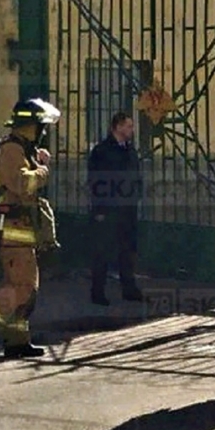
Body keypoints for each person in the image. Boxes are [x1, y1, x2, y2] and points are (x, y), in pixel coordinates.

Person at [0, 98, 60, 359]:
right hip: (13, 231)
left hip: (24, 231)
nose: (42, 131)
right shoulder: (11, 150)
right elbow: (20, 183)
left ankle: (17, 341)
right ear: (30, 126)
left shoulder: (22, 149)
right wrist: (42, 171)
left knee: (26, 287)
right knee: (22, 286)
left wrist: (36, 159)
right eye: (40, 126)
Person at [87, 111, 144, 305]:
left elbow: (136, 176)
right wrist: (99, 210)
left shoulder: (130, 150)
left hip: (127, 209)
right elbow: (96, 182)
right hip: (108, 209)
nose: (131, 130)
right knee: (102, 251)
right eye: (128, 126)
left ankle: (129, 288)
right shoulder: (102, 151)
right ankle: (98, 292)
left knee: (127, 250)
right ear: (117, 127)